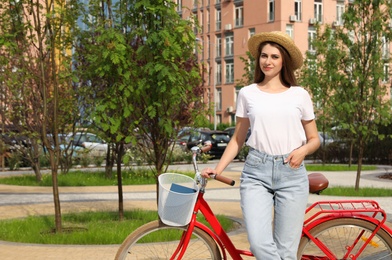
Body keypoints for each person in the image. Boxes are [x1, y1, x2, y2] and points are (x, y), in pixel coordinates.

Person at [201, 31, 320, 259]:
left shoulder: (299, 94)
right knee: (259, 245)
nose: (268, 61)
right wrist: (218, 170)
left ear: (283, 60)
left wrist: (303, 150)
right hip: (257, 172)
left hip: (292, 174)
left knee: (286, 251)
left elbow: (314, 139)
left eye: (274, 56)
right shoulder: (247, 93)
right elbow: (238, 138)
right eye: (264, 56)